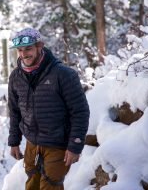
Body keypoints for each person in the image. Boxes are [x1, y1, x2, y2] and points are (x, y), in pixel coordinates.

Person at [7, 27, 90, 190]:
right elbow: (15, 111)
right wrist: (14, 142)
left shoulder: (63, 74)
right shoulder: (16, 77)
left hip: (57, 144)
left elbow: (80, 112)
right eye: (20, 50)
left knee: (50, 186)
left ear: (40, 46)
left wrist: (75, 145)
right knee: (32, 185)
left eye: (29, 48)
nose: (24, 54)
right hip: (32, 144)